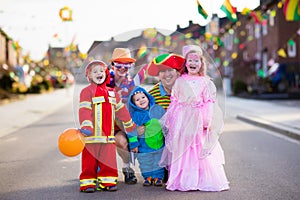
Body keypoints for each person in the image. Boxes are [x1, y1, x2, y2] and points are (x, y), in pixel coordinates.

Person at [159, 45, 230, 191]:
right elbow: (175, 102)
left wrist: (207, 120)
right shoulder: (179, 81)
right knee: (184, 149)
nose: (193, 63)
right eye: (190, 60)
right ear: (185, 64)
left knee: (198, 147)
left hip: (198, 119)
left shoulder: (206, 82)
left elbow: (209, 103)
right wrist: (173, 122)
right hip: (183, 120)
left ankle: (201, 179)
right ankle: (185, 179)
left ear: (201, 64)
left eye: (196, 61)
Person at [78, 60, 136, 192]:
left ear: (105, 74)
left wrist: (130, 125)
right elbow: (84, 110)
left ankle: (108, 182)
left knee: (108, 162)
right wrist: (86, 126)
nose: (99, 73)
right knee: (89, 162)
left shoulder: (112, 93)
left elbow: (122, 111)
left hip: (108, 137)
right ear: (89, 76)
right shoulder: (86, 92)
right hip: (91, 137)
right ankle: (88, 184)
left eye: (101, 71)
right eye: (95, 71)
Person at [147, 53, 185, 183]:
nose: (167, 74)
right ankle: (159, 167)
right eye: (163, 71)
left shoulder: (184, 90)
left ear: (177, 72)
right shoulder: (152, 95)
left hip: (182, 137)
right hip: (162, 139)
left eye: (170, 70)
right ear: (158, 75)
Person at [109, 48, 139, 184]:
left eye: (126, 66)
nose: (122, 69)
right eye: (119, 65)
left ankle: (157, 170)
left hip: (127, 122)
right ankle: (125, 168)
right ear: (112, 65)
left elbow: (137, 102)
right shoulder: (103, 80)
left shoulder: (131, 83)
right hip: (109, 123)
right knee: (120, 142)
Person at [127, 86, 166, 187]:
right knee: (145, 161)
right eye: (137, 99)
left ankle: (158, 177)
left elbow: (166, 121)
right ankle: (147, 176)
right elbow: (131, 131)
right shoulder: (136, 115)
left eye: (143, 97)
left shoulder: (157, 110)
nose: (141, 100)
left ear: (148, 97)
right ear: (134, 103)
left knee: (159, 160)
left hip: (159, 143)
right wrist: (134, 144)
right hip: (143, 145)